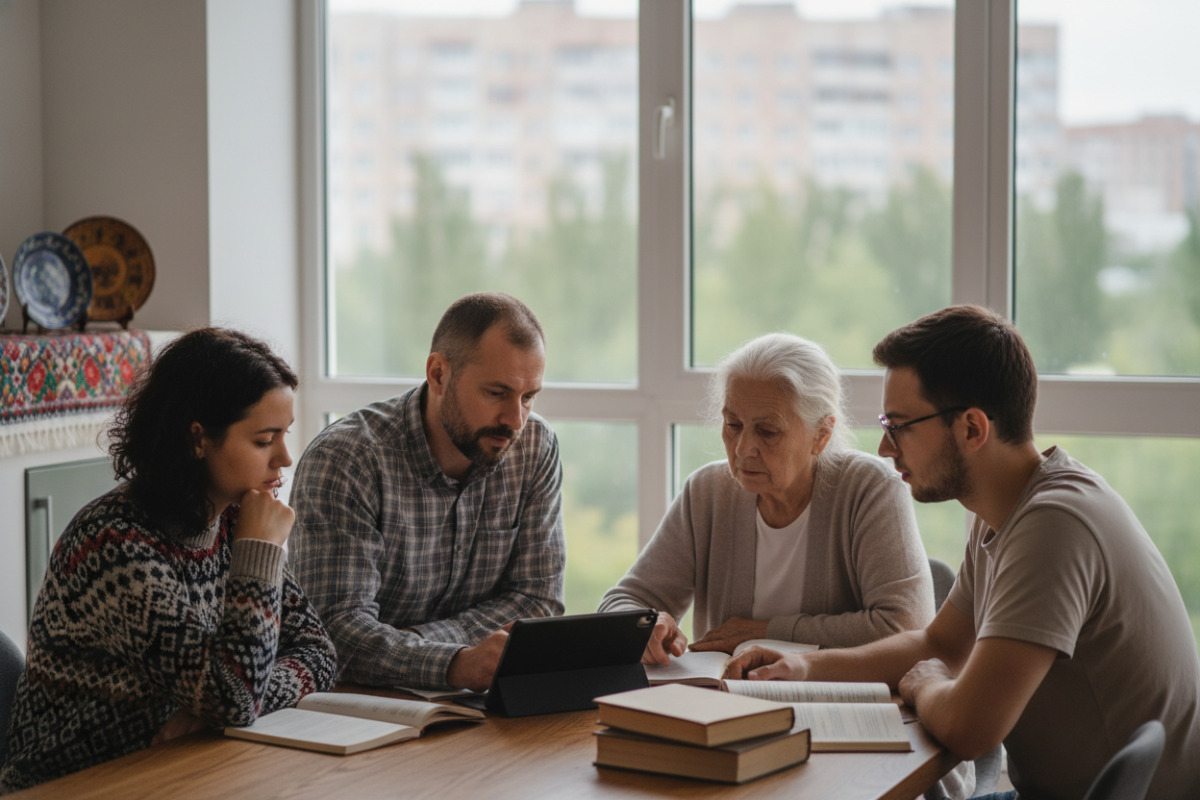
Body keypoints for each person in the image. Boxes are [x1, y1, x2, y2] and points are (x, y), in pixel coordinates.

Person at [726, 305, 1200, 800]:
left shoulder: (1053, 526)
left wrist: (926, 685)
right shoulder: (1005, 510)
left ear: (972, 429)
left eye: (900, 426)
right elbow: (943, 645)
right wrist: (804, 667)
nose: (885, 448)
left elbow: (969, 729)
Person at [0, 328, 337, 793]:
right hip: (75, 787)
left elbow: (319, 654)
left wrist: (213, 711)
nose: (284, 457)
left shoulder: (234, 520)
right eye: (265, 440)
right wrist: (258, 554)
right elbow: (234, 697)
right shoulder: (113, 544)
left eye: (285, 435)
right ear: (199, 439)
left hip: (179, 770)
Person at [599, 332, 934, 664]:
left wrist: (765, 632)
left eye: (768, 431)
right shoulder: (707, 493)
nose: (743, 449)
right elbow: (623, 602)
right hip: (722, 695)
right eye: (733, 424)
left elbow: (905, 627)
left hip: (826, 695)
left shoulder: (870, 490)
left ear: (821, 434)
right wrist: (645, 625)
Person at [289, 292, 565, 692]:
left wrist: (427, 645)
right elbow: (334, 633)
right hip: (359, 704)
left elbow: (538, 601)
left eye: (528, 397)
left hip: (473, 698)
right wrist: (456, 663)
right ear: (438, 374)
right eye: (496, 393)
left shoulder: (534, 446)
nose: (515, 421)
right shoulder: (347, 459)